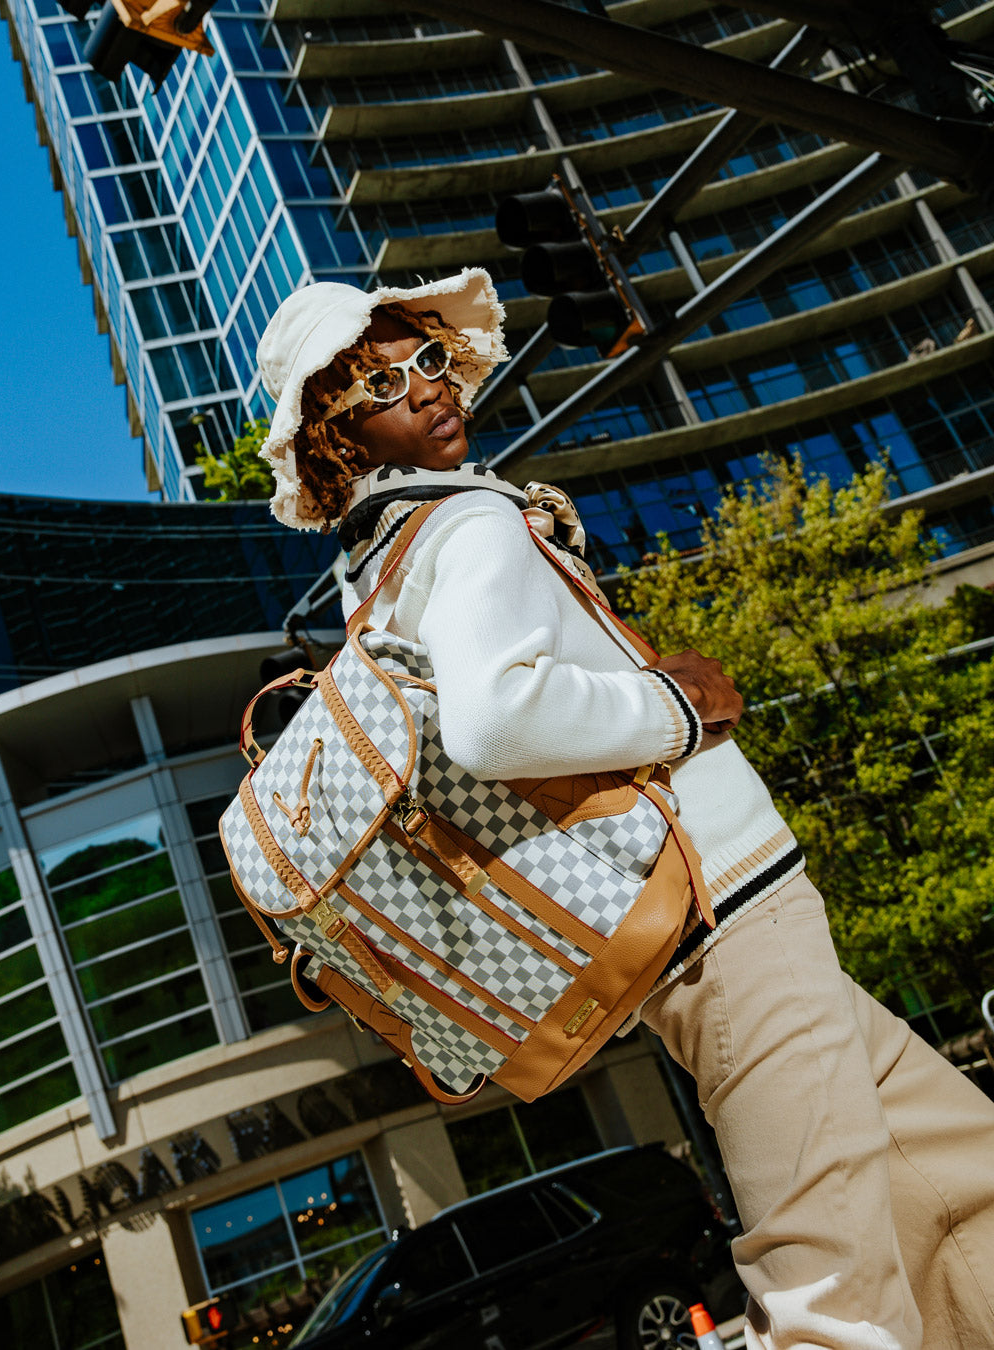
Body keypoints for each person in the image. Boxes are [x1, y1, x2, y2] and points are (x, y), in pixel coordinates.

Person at [254, 268, 994, 1349]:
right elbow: (495, 721)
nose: (428, 387)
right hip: (722, 918)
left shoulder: (376, 572)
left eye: (429, 360)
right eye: (381, 384)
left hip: (708, 919)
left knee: (960, 1179)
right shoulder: (468, 526)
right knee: (828, 1287)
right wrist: (675, 707)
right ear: (336, 434)